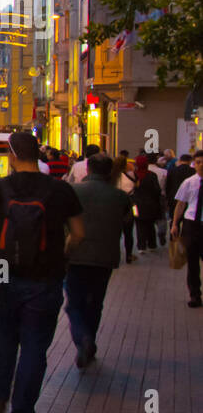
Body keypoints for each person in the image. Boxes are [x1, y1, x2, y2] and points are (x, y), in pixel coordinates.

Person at [0, 131, 84, 413]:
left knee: (6, 332)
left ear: (12, 156)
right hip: (46, 273)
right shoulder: (60, 190)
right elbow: (79, 233)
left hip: (4, 268)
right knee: (34, 343)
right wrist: (64, 255)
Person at [65, 153, 132, 369]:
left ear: (89, 170)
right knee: (95, 302)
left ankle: (83, 339)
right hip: (105, 257)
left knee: (74, 304)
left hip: (75, 255)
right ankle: (89, 339)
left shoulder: (73, 191)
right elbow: (126, 222)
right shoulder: (120, 196)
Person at [170, 153, 203, 308]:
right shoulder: (188, 182)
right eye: (198, 162)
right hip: (191, 225)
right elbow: (180, 204)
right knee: (192, 261)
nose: (201, 165)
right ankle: (195, 295)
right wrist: (175, 224)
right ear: (194, 165)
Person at [131, 154, 162, 253]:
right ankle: (152, 244)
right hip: (151, 205)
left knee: (139, 225)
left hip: (136, 206)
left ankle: (141, 246)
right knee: (150, 225)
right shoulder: (152, 175)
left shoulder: (134, 175)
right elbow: (157, 190)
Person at [112, 155, 137, 263]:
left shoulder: (112, 177)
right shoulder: (132, 175)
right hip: (131, 204)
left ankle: (115, 255)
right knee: (129, 232)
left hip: (115, 205)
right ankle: (129, 255)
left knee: (115, 233)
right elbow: (137, 186)